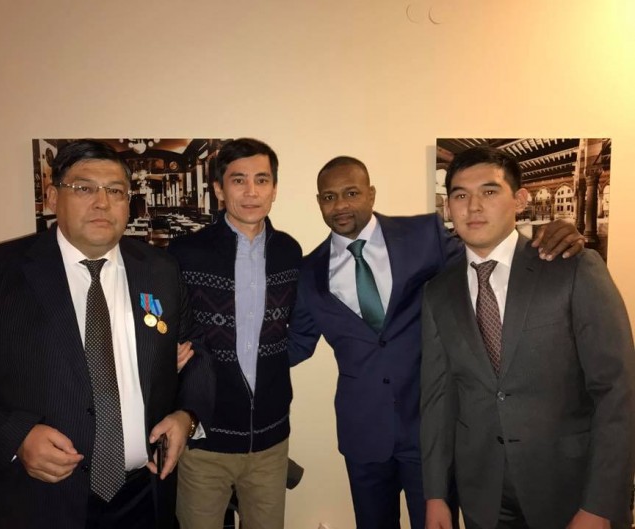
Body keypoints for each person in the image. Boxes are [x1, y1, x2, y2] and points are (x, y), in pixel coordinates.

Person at [287, 155, 585, 529]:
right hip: (363, 432)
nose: (340, 205)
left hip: (431, 429)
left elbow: (485, 256)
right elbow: (297, 343)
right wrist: (235, 362)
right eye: (329, 197)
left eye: (351, 193)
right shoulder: (309, 272)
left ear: (371, 194)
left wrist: (547, 236)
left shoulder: (422, 235)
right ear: (319, 202)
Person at [0, 140, 214, 529]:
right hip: (34, 502)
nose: (102, 202)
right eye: (84, 188)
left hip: (144, 498)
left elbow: (196, 352)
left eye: (115, 191)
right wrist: (15, 438)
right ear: (52, 197)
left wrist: (187, 416)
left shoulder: (160, 269)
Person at [420, 146, 635, 529]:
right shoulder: (438, 293)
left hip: (570, 487)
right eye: (460, 195)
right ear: (448, 207)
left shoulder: (572, 268)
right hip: (483, 492)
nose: (473, 206)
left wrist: (601, 504)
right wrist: (436, 494)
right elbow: (438, 400)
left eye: (489, 191)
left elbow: (618, 390)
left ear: (519, 200)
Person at [168, 138, 302, 529]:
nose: (251, 191)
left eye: (262, 180)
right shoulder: (185, 253)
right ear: (218, 189)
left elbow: (300, 324)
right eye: (238, 180)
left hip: (270, 441)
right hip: (203, 439)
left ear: (274, 189)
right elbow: (162, 324)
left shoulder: (289, 252)